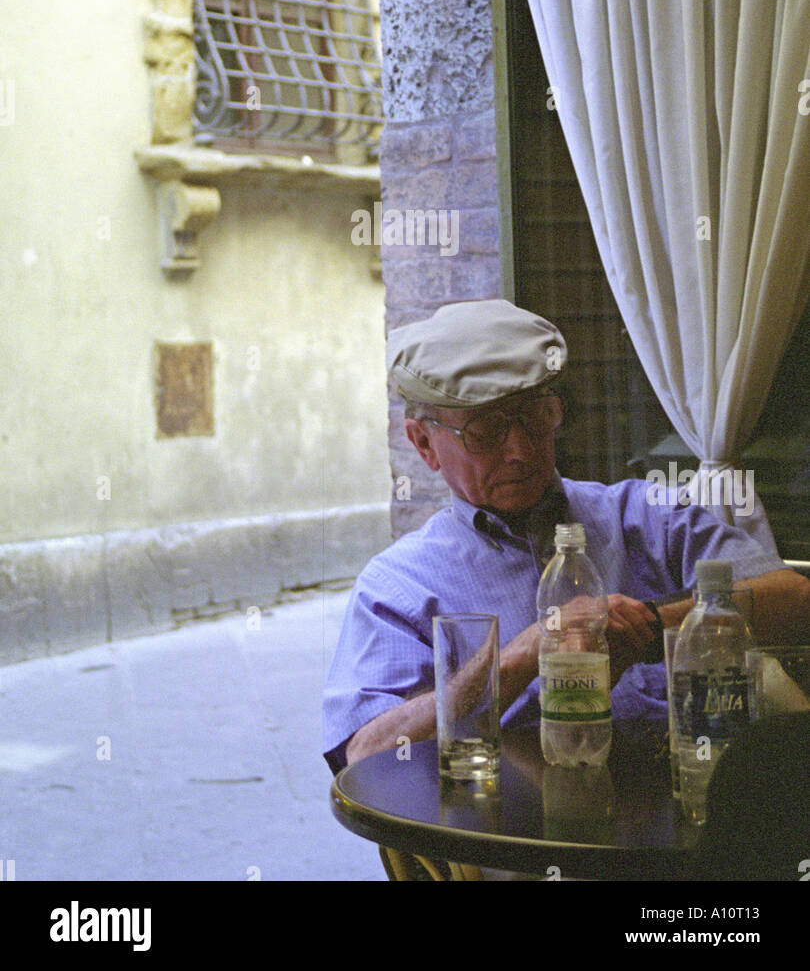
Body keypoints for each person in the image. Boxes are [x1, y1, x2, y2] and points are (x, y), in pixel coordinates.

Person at [322, 299, 810, 774]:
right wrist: (521, 656)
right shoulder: (400, 585)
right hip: (514, 840)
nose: (520, 450)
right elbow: (368, 754)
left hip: (693, 812)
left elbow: (795, 602)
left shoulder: (646, 514)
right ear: (424, 443)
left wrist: (646, 625)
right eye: (487, 431)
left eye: (536, 418)